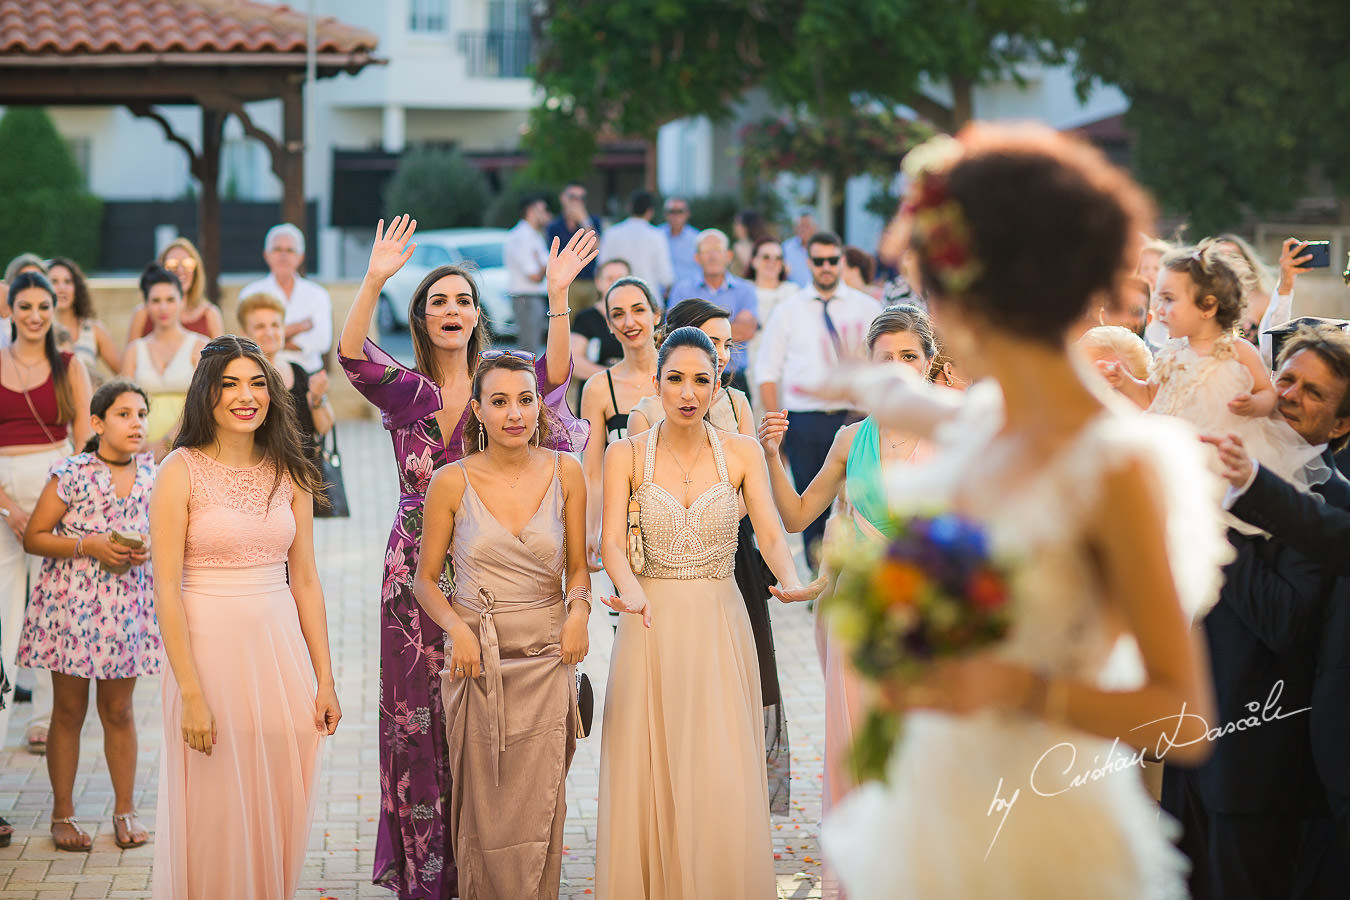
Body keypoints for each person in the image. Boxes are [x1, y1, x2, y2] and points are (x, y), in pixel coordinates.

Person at [818, 124, 1229, 899]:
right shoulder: (984, 424)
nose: (932, 308)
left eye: (935, 285)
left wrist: (1017, 690)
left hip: (1046, 832)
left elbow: (1188, 717)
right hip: (933, 804)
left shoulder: (1118, 464)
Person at [338, 215, 591, 899]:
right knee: (419, 729)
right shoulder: (405, 391)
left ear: (480, 314)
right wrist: (375, 276)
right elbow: (350, 353)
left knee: (482, 729)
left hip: (488, 581)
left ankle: (488, 864)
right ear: (420, 318)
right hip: (413, 582)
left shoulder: (497, 389)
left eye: (464, 300)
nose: (452, 310)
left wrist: (560, 293)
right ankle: (429, 876)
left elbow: (556, 375)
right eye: (438, 301)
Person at [595, 325, 825, 899]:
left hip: (722, 622)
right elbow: (612, 547)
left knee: (719, 767)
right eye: (675, 379)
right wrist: (630, 589)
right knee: (652, 767)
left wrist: (793, 582)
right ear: (657, 383)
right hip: (649, 624)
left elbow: (771, 535)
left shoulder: (742, 452)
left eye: (702, 380)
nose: (688, 393)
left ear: (718, 384)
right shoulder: (625, 453)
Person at [149, 334, 340, 899]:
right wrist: (190, 692)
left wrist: (325, 677)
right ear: (206, 393)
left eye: (257, 383)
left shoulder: (291, 471)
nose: (245, 395)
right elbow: (164, 589)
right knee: (214, 809)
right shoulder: (178, 471)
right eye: (230, 383)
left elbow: (305, 579)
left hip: (279, 655)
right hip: (206, 657)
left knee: (281, 790)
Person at [412, 352, 591, 900]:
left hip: (547, 657)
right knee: (485, 811)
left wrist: (580, 611)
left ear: (539, 406)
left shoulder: (567, 471)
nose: (515, 413)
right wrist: (456, 629)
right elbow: (424, 582)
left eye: (525, 399)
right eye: (500, 401)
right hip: (477, 661)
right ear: (478, 411)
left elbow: (579, 569)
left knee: (541, 807)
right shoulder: (450, 480)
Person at [757, 305, 939, 831]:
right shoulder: (849, 440)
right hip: (858, 614)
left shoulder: (953, 435)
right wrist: (772, 455)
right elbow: (795, 517)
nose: (899, 365)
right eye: (887, 358)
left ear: (928, 363)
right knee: (860, 740)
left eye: (910, 355)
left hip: (927, 613)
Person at [1212, 326, 1350, 879]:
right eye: (1285, 380)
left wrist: (1213, 520)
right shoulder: (1222, 463)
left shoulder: (1326, 498)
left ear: (1341, 425)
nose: (1290, 396)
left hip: (1259, 762)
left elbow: (1284, 621)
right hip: (1190, 738)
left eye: (1313, 392)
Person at [17, 380, 159, 853]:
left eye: (141, 414)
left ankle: (125, 810)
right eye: (123, 414)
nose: (136, 422)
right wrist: (88, 544)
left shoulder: (155, 475)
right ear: (97, 424)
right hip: (72, 609)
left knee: (119, 711)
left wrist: (146, 552)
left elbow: (167, 533)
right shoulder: (72, 473)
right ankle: (63, 813)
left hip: (126, 610)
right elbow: (34, 536)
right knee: (69, 710)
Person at [1102, 243, 1321, 512]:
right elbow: (1151, 397)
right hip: (1178, 455)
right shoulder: (1170, 353)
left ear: (1207, 306)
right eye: (1158, 298)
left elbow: (1268, 393)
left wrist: (1254, 404)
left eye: (1169, 299)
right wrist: (1124, 381)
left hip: (1221, 458)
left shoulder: (1238, 350)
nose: (1158, 309)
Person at [0, 271, 92, 762]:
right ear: (10, 310)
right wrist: (10, 508)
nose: (35, 316)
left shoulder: (70, 365)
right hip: (3, 504)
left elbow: (83, 441)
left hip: (57, 498)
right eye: (25, 307)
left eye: (43, 307)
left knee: (50, 615)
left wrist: (59, 505)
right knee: (5, 617)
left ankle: (43, 721)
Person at [755, 230, 881, 569]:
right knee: (809, 505)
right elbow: (767, 370)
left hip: (855, 418)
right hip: (804, 419)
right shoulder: (788, 310)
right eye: (819, 261)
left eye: (832, 260)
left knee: (857, 500)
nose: (826, 267)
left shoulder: (867, 307)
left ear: (841, 261)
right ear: (808, 263)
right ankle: (817, 576)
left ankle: (854, 572)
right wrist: (776, 427)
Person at [579, 276, 662, 566]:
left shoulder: (680, 375)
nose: (629, 321)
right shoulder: (599, 388)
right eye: (618, 314)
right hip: (629, 528)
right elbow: (592, 471)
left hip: (684, 520)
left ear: (656, 314)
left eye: (638, 310)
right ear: (610, 328)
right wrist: (592, 529)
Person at [121, 264, 207, 457]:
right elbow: (123, 404)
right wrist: (141, 443)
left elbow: (205, 401)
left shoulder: (201, 347)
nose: (163, 307)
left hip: (190, 444)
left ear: (182, 301)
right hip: (140, 449)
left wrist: (167, 442)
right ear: (146, 304)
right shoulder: (134, 350)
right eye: (156, 300)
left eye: (170, 299)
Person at [238, 294, 333, 459]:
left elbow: (324, 427)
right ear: (244, 333)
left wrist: (317, 398)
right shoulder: (240, 380)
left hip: (306, 474)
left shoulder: (298, 372)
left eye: (275, 325)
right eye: (260, 326)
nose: (269, 332)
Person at [666, 229, 759, 393]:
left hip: (734, 378)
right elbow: (675, 331)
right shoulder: (681, 290)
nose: (713, 256)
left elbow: (747, 329)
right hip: (691, 377)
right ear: (697, 258)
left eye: (718, 250)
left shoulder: (746, 289)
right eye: (707, 251)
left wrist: (697, 329)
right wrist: (726, 331)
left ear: (729, 255)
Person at [240, 224, 333, 375]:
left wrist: (272, 340)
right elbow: (249, 340)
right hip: (266, 374)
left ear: (300, 257)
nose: (283, 256)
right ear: (266, 255)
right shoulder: (250, 293)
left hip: (310, 375)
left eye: (290, 250)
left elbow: (323, 342)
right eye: (277, 250)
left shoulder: (318, 294)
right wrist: (301, 326)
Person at [126, 238, 223, 343]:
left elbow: (221, 358)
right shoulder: (142, 314)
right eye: (172, 264)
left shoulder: (210, 315)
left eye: (188, 264)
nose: (180, 270)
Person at [48, 257, 120, 383]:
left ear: (76, 288)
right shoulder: (38, 331)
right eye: (54, 281)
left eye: (67, 282)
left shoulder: (94, 329)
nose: (61, 288)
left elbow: (123, 375)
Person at [597, 190, 674, 295]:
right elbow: (666, 276)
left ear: (629, 207)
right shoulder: (657, 235)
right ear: (650, 211)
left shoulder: (611, 233)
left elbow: (601, 265)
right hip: (647, 296)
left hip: (616, 294)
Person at [505, 194, 553, 353]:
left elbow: (549, 266)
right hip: (526, 298)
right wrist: (543, 264)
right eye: (543, 210)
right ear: (531, 211)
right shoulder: (522, 236)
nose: (547, 214)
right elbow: (534, 276)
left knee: (533, 347)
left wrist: (541, 263)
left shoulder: (534, 235)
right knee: (528, 349)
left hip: (533, 298)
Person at [570, 258, 631, 383]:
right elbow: (573, 360)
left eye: (620, 278)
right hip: (596, 390)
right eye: (609, 278)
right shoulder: (586, 318)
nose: (615, 283)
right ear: (598, 283)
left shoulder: (641, 317)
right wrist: (612, 376)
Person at [547, 182, 603, 311]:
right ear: (563, 198)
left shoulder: (593, 221)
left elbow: (596, 246)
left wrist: (584, 220)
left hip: (590, 282)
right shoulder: (554, 226)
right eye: (573, 197)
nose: (577, 202)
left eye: (581, 198)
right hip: (566, 284)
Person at [661, 196, 700, 285]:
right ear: (665, 214)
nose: (676, 216)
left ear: (687, 214)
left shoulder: (696, 238)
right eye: (672, 212)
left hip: (688, 291)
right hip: (660, 292)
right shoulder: (657, 235)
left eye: (680, 212)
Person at [781, 210, 818, 287]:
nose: (803, 229)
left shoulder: (823, 248)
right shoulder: (786, 248)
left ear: (815, 227)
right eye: (800, 225)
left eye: (806, 225)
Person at [731, 209, 771, 277]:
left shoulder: (741, 246)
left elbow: (750, 269)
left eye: (737, 223)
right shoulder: (767, 244)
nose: (734, 226)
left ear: (746, 226)